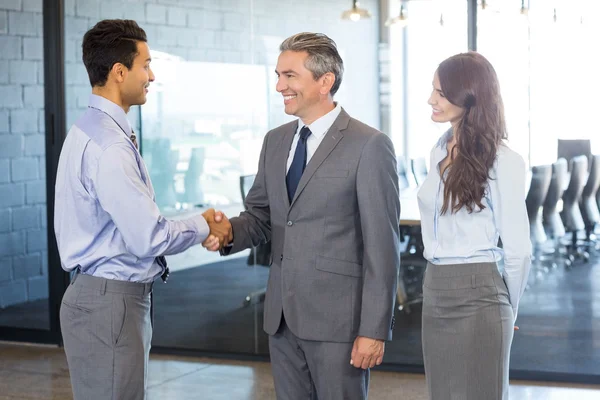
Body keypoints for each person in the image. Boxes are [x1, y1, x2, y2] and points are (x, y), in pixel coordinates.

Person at [207, 32, 401, 399]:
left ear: (324, 81)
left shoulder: (369, 144)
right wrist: (228, 232)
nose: (279, 86)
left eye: (289, 76)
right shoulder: (275, 140)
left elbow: (382, 246)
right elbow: (261, 216)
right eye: (278, 75)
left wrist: (373, 329)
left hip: (338, 323)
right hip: (281, 318)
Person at [54, 19, 226, 400]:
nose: (152, 75)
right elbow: (148, 237)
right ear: (119, 72)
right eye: (145, 65)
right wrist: (205, 223)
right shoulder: (110, 147)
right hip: (111, 304)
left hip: (102, 299)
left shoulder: (88, 129)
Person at [418, 51, 532, 400]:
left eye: (441, 92)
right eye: (432, 90)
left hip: (481, 294)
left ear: (469, 96)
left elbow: (519, 250)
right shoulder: (437, 151)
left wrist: (507, 308)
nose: (431, 100)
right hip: (434, 289)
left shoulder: (504, 161)